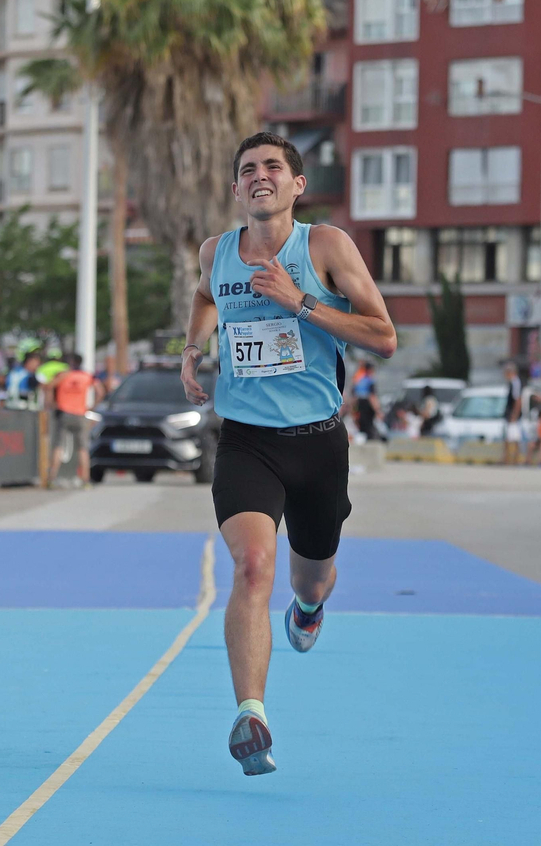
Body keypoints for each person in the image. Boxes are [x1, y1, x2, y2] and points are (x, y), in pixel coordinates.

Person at [180, 131, 395, 776]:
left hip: (317, 442)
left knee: (311, 576)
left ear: (297, 185)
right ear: (238, 186)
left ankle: (309, 608)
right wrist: (191, 352)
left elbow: (383, 337)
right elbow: (203, 297)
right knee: (251, 568)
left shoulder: (324, 246)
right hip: (246, 440)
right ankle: (251, 714)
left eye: (273, 166)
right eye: (247, 168)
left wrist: (298, 302)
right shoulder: (216, 252)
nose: (259, 175)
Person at [45, 356, 100, 485]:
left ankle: (51, 478)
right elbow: (100, 390)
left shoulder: (63, 376)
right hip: (80, 413)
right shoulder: (86, 376)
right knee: (82, 448)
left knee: (58, 445)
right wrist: (92, 406)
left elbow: (48, 387)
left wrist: (51, 404)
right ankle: (85, 480)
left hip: (64, 413)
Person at [351, 360, 382, 441]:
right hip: (367, 404)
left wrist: (353, 409)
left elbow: (353, 396)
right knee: (369, 426)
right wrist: (378, 410)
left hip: (359, 403)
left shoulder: (359, 379)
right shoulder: (370, 380)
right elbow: (372, 396)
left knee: (362, 426)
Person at [501, 362, 524, 465]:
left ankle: (512, 459)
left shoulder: (515, 383)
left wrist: (514, 414)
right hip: (511, 414)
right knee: (509, 437)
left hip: (513, 415)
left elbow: (518, 400)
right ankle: (508, 458)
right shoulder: (512, 383)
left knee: (514, 438)